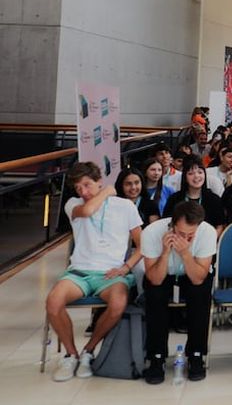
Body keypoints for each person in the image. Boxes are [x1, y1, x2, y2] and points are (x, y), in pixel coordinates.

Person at [46, 162, 143, 382]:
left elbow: (142, 245)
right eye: (79, 187)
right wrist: (107, 190)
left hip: (111, 273)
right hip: (79, 271)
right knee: (53, 302)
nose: (83, 192)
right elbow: (89, 210)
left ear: (99, 180)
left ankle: (88, 351)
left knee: (118, 304)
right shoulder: (73, 204)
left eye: (88, 185)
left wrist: (126, 267)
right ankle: (71, 354)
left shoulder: (125, 207)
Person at [140, 201, 216, 384]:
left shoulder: (207, 232)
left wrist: (185, 253)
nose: (186, 239)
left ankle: (196, 354)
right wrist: (165, 253)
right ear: (171, 225)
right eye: (181, 234)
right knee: (155, 294)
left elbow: (198, 277)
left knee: (199, 293)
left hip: (192, 269)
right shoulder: (151, 232)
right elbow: (155, 278)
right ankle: (156, 356)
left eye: (191, 235)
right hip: (163, 271)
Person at [164, 157, 227, 235]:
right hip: (180, 241)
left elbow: (219, 226)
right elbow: (167, 224)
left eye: (200, 172)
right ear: (185, 177)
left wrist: (209, 241)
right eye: (191, 173)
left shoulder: (214, 199)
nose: (196, 176)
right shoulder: (174, 199)